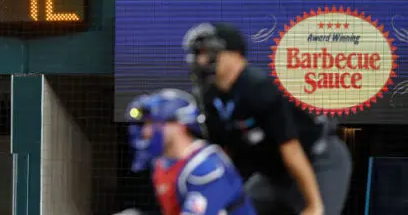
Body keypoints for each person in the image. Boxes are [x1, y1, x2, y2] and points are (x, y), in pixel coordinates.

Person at [182, 22, 352, 215]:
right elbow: (224, 156)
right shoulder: (210, 97)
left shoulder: (258, 88)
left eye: (209, 52)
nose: (202, 60)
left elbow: (292, 149)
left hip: (316, 162)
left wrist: (314, 205)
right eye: (198, 54)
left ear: (235, 55)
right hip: (272, 174)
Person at [114, 88, 256, 215]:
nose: (146, 132)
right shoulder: (161, 164)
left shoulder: (207, 167)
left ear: (179, 125)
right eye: (146, 124)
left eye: (154, 124)